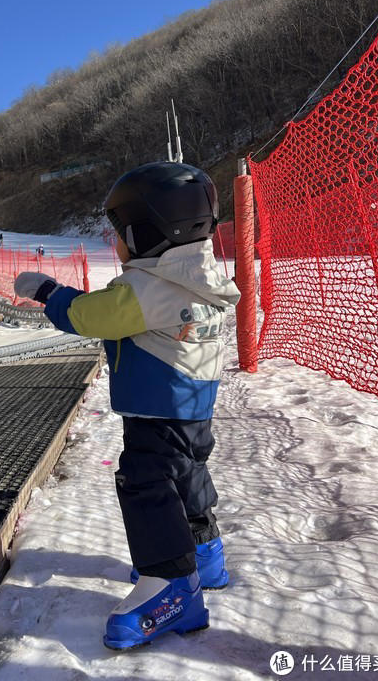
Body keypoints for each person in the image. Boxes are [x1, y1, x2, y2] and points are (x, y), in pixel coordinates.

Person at [14, 162, 240, 650]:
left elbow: (88, 316)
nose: (114, 242)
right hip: (192, 406)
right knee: (187, 472)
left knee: (147, 483)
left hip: (155, 408)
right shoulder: (201, 275)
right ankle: (204, 553)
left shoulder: (144, 287)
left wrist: (47, 291)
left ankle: (172, 586)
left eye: (118, 232)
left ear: (144, 233)